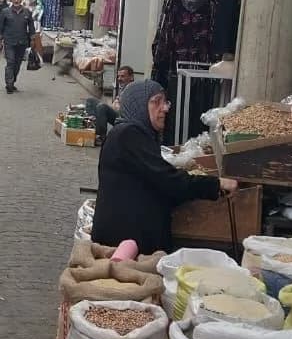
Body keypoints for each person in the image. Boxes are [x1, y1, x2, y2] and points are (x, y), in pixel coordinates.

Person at [91, 79, 237, 253]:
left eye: (165, 102)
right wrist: (216, 184)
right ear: (138, 106)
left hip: (129, 238)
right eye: (156, 102)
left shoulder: (137, 134)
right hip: (124, 244)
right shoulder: (128, 135)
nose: (165, 108)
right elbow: (167, 180)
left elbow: (156, 179)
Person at [0, 0, 36, 93]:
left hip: (22, 42)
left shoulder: (27, 12)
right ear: (11, 0)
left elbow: (31, 28)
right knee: (10, 62)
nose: (16, 1)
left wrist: (33, 39)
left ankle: (12, 81)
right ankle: (9, 84)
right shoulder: (5, 12)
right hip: (9, 42)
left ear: (21, 0)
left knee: (17, 64)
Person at [85, 65, 136, 144]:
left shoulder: (132, 89)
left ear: (131, 77)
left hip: (123, 119)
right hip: (116, 112)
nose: (119, 79)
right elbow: (116, 103)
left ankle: (101, 137)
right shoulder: (123, 88)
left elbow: (123, 109)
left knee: (102, 107)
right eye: (118, 76)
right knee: (90, 101)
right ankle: (93, 123)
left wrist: (116, 105)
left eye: (122, 76)